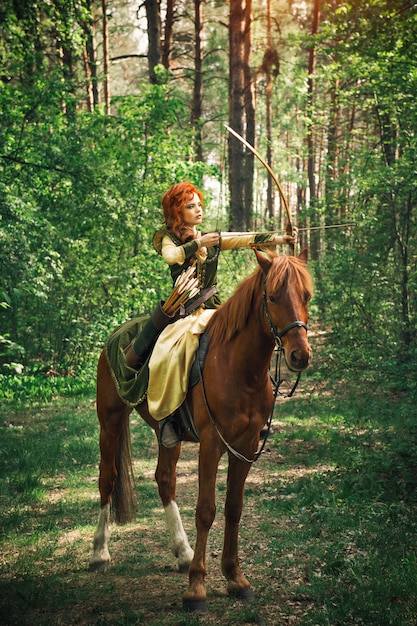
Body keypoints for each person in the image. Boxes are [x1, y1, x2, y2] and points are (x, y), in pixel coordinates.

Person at [148, 181, 298, 447]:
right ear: (177, 211)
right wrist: (199, 243)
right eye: (190, 206)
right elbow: (171, 257)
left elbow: (246, 238)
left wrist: (281, 238)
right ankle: (170, 418)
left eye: (200, 205)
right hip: (186, 314)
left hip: (216, 312)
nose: (198, 210)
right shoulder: (166, 238)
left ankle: (254, 413)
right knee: (167, 354)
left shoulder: (212, 238)